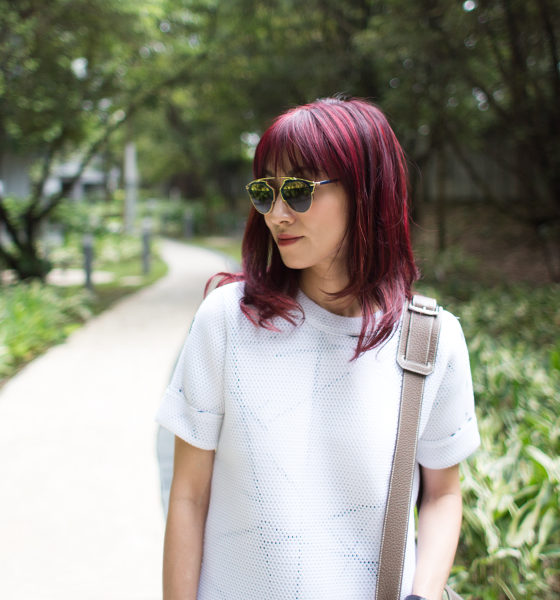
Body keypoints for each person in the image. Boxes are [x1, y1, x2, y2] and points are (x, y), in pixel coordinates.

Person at [155, 96, 480, 600]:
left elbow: (442, 494)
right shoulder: (227, 320)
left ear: (368, 192)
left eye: (300, 191)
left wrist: (424, 592)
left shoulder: (431, 339)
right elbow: (189, 496)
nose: (277, 214)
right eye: (266, 192)